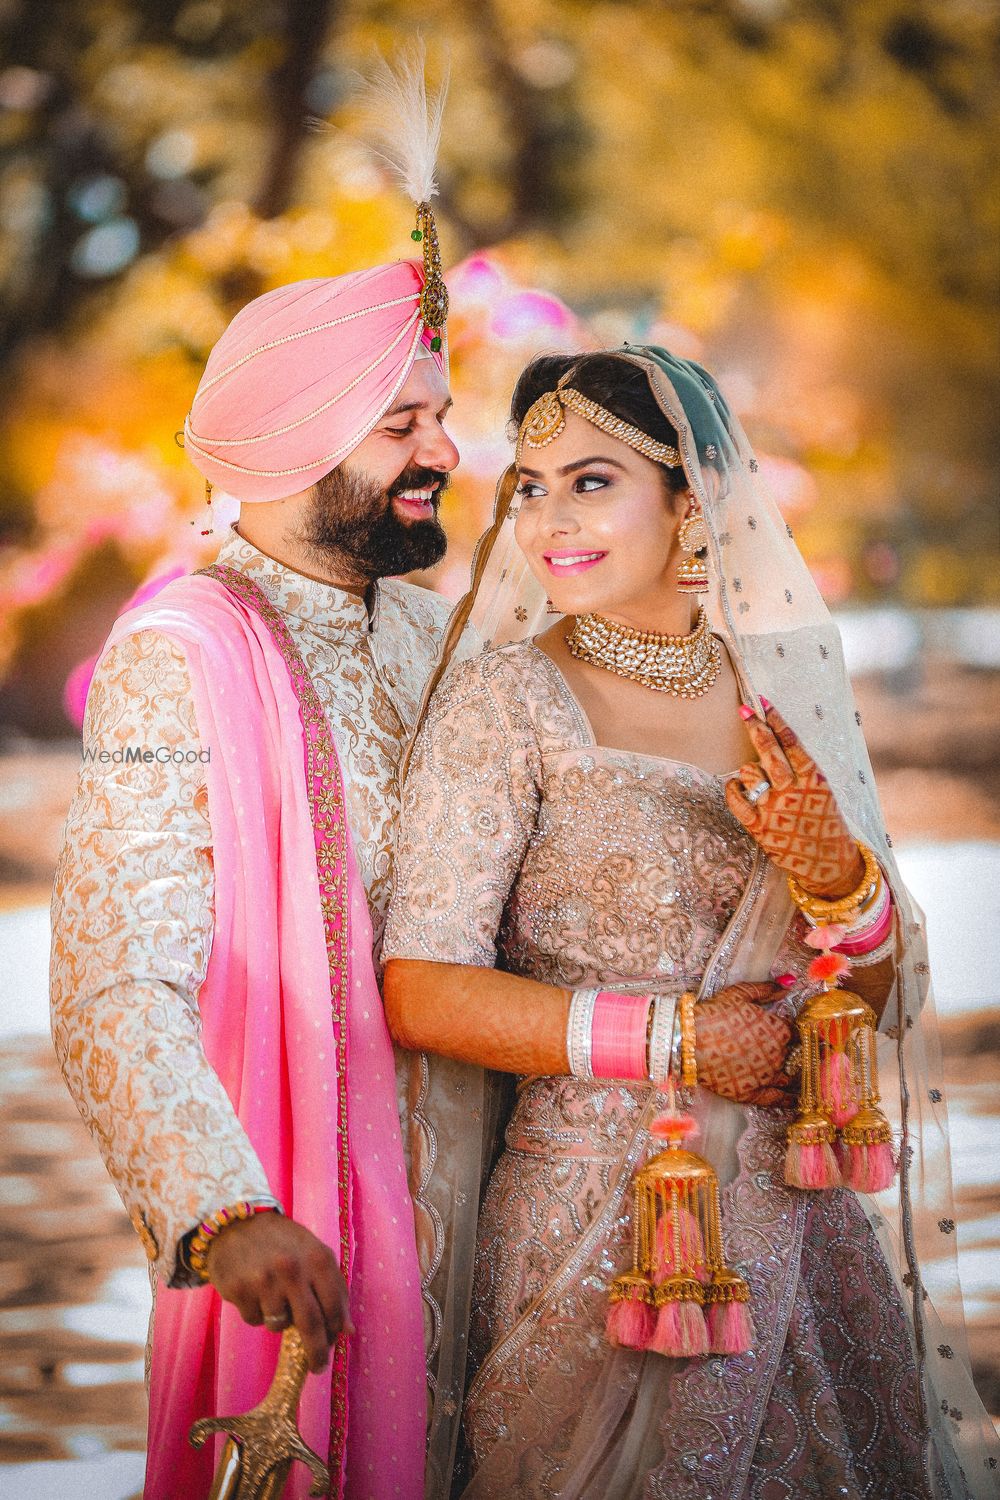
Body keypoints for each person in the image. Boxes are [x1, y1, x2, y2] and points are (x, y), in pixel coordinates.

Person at [382, 347, 999, 1498]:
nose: (547, 519)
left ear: (690, 503)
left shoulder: (780, 701)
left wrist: (837, 884)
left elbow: (888, 997)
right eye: (528, 484)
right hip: (593, 1234)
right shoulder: (507, 701)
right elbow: (419, 989)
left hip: (799, 1227)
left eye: (591, 481)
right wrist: (674, 1039)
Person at [49, 151, 457, 1494]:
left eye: (441, 418)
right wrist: (225, 1210)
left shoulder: (425, 626)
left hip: (476, 1196)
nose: (445, 453)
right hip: (305, 1225)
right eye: (405, 425)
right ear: (295, 441)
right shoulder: (182, 647)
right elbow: (115, 978)